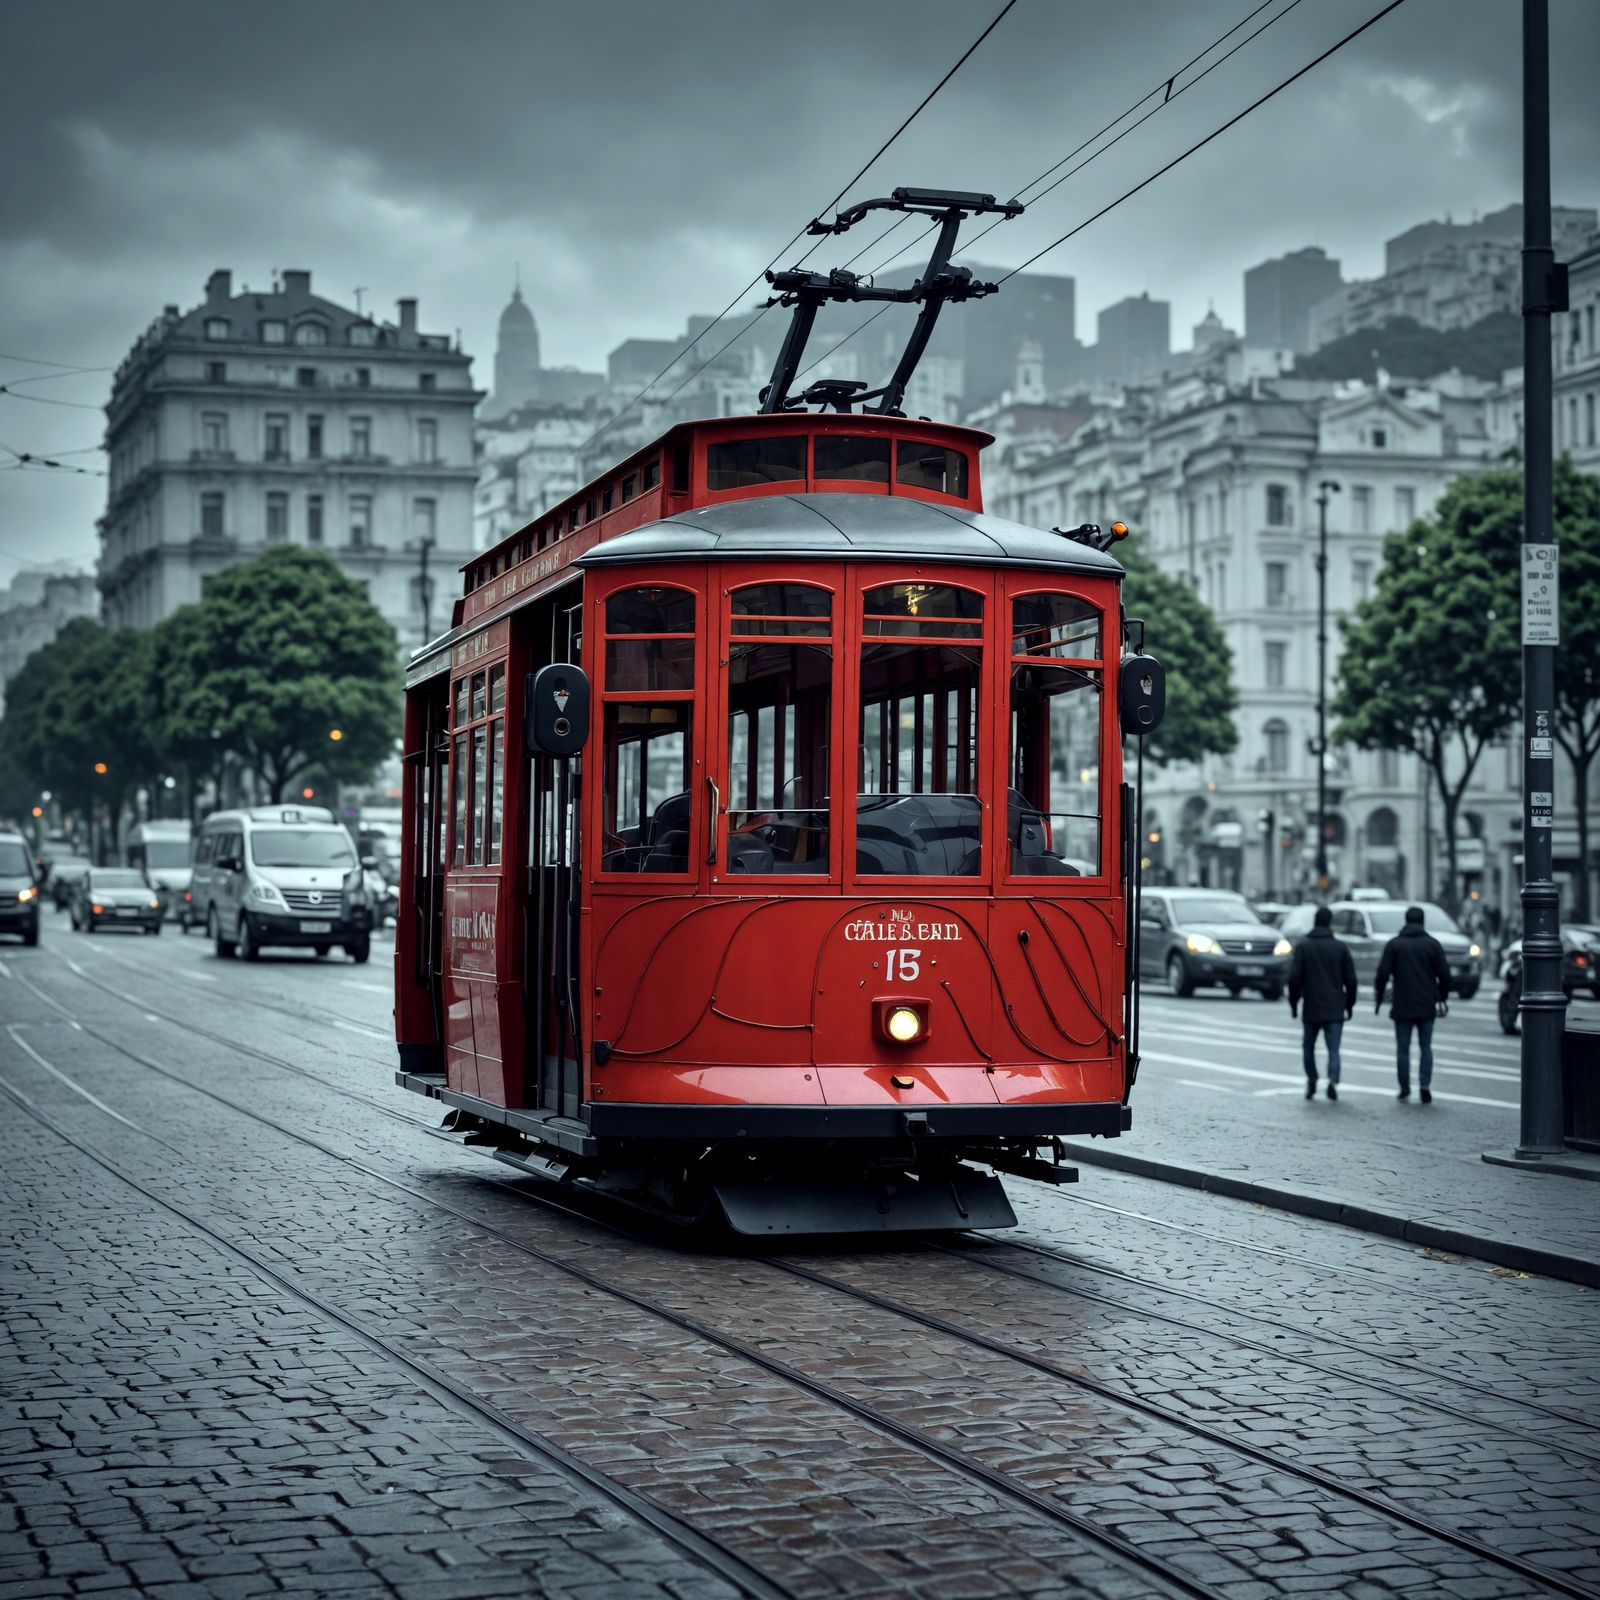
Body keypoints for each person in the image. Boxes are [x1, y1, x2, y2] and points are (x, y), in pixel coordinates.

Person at [1374, 904, 1451, 1103]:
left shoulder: (1395, 944)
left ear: (1406, 921)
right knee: (1426, 1047)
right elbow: (1444, 974)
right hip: (1427, 1004)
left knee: (1403, 1049)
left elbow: (1382, 974)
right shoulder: (1433, 945)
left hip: (1402, 1004)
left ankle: (1404, 1088)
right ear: (1422, 922)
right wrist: (1442, 996)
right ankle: (1425, 1085)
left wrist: (1379, 997)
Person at [1288, 906, 1358, 1101]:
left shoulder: (1304, 947)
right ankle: (1333, 1080)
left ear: (1315, 922)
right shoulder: (1340, 947)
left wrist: (1294, 1004)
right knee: (1333, 1049)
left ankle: (1312, 1078)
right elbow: (1351, 981)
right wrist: (1349, 1004)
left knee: (1308, 1046)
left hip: (1311, 1006)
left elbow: (1294, 979)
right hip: (1335, 1006)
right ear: (1330, 923)